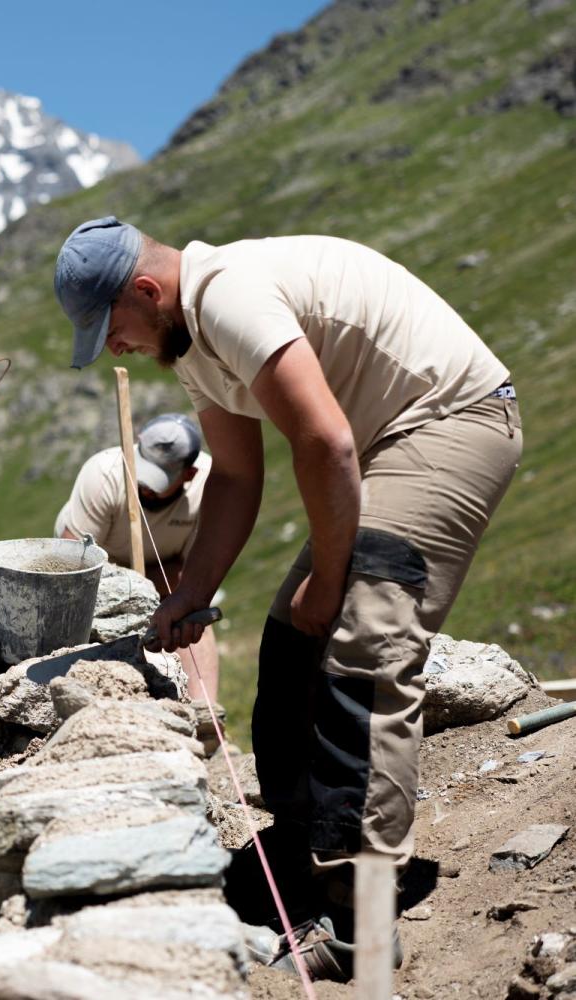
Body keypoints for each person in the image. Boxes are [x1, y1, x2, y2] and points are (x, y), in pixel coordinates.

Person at [52, 216, 520, 980]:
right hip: (380, 444)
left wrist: (330, 580)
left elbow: (326, 444)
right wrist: (192, 593)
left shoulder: (230, 300)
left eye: (112, 329)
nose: (115, 348)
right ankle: (297, 860)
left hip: (451, 421)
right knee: (288, 640)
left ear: (146, 290)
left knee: (361, 641)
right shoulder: (194, 343)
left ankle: (359, 915)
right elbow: (236, 476)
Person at [53, 412, 221, 704]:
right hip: (95, 569)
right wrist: (130, 581)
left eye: (158, 478)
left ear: (188, 474)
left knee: (191, 618)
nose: (144, 485)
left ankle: (203, 714)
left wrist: (150, 584)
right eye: (142, 469)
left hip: (163, 572)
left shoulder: (209, 488)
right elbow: (72, 565)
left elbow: (193, 575)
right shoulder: (103, 474)